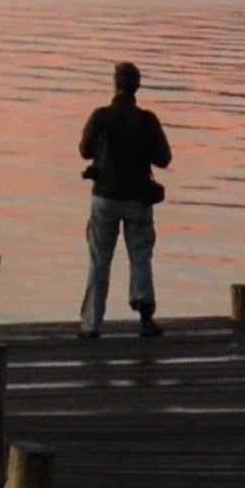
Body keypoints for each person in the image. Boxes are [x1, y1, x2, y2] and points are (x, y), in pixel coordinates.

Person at [77, 60, 172, 339]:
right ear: (137, 87)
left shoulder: (100, 116)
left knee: (99, 260)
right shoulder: (147, 120)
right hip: (138, 200)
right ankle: (145, 319)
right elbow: (164, 159)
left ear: (116, 85)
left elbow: (84, 150)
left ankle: (91, 325)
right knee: (141, 256)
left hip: (104, 197)